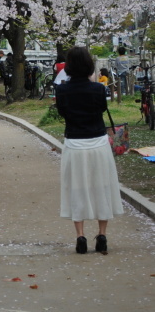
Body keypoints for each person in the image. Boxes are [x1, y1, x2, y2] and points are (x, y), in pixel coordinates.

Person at [56, 46, 123, 254]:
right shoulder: (97, 89)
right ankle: (102, 234)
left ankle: (80, 236)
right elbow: (101, 109)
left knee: (76, 188)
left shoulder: (62, 90)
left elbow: (62, 112)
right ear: (89, 65)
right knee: (102, 186)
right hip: (98, 142)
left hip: (74, 143)